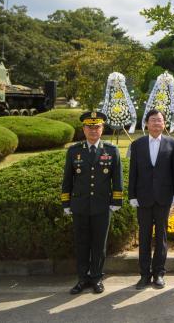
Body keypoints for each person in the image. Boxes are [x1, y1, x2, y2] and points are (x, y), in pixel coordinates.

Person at [61, 111, 123, 295]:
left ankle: (96, 277)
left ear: (102, 128)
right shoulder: (74, 151)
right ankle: (82, 278)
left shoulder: (111, 151)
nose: (93, 130)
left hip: (102, 206)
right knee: (81, 243)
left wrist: (116, 200)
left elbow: (117, 178)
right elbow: (67, 180)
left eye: (97, 127)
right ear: (84, 129)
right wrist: (66, 203)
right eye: (90, 127)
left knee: (99, 244)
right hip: (80, 205)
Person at [128, 109, 174, 290]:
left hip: (164, 198)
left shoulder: (173, 143)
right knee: (144, 237)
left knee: (161, 236)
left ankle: (159, 273)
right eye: (153, 120)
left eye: (159, 120)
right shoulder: (137, 144)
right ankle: (144, 274)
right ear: (146, 124)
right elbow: (133, 171)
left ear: (164, 124)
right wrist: (132, 195)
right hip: (143, 198)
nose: (156, 124)